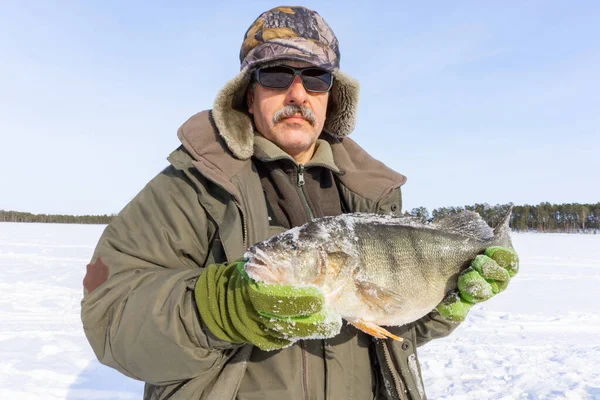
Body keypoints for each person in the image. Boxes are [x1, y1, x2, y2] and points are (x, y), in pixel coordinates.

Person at [81, 6, 519, 400]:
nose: (297, 93)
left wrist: (448, 302)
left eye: (314, 77)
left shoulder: (372, 192)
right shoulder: (193, 185)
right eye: (275, 74)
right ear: (248, 93)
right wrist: (225, 307)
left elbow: (391, 327)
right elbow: (111, 319)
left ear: (332, 96)